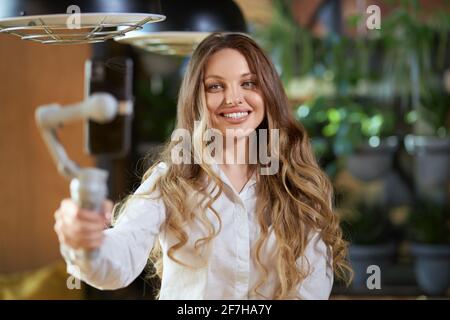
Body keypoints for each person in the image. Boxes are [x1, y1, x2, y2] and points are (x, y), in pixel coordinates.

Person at [54, 32, 351, 300]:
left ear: (268, 93)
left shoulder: (296, 183)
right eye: (215, 86)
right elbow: (119, 260)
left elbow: (310, 290)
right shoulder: (170, 180)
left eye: (248, 83)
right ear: (196, 99)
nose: (233, 98)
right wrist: (85, 244)